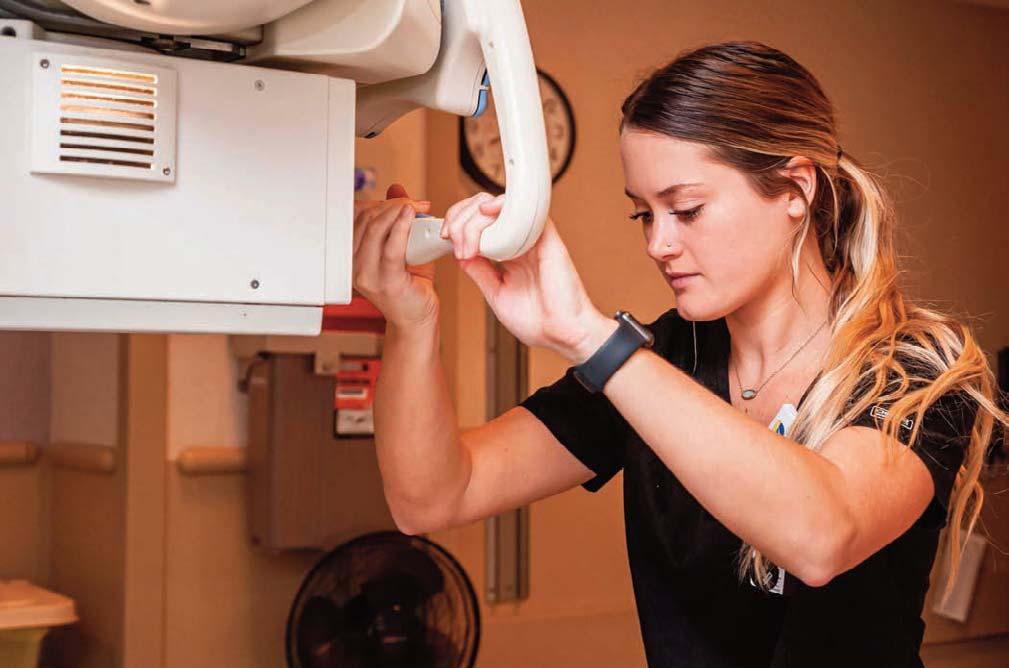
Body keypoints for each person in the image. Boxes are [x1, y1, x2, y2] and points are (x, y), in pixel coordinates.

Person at [351, 41, 1006, 667]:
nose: (657, 244)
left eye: (686, 210)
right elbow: (434, 496)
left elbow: (821, 537)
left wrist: (590, 338)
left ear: (795, 189)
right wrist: (410, 320)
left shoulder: (917, 366)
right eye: (642, 214)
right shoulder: (658, 360)